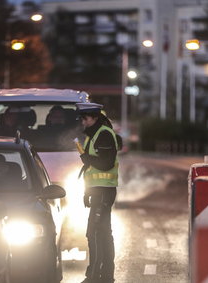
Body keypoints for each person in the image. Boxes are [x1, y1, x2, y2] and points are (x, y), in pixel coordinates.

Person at [77, 102, 119, 283]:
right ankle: (104, 274)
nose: (83, 122)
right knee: (100, 231)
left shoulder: (103, 134)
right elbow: (92, 169)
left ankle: (96, 275)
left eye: (85, 118)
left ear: (94, 117)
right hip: (98, 191)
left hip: (104, 191)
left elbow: (106, 163)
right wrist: (87, 191)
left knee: (95, 232)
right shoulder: (94, 135)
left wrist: (87, 158)